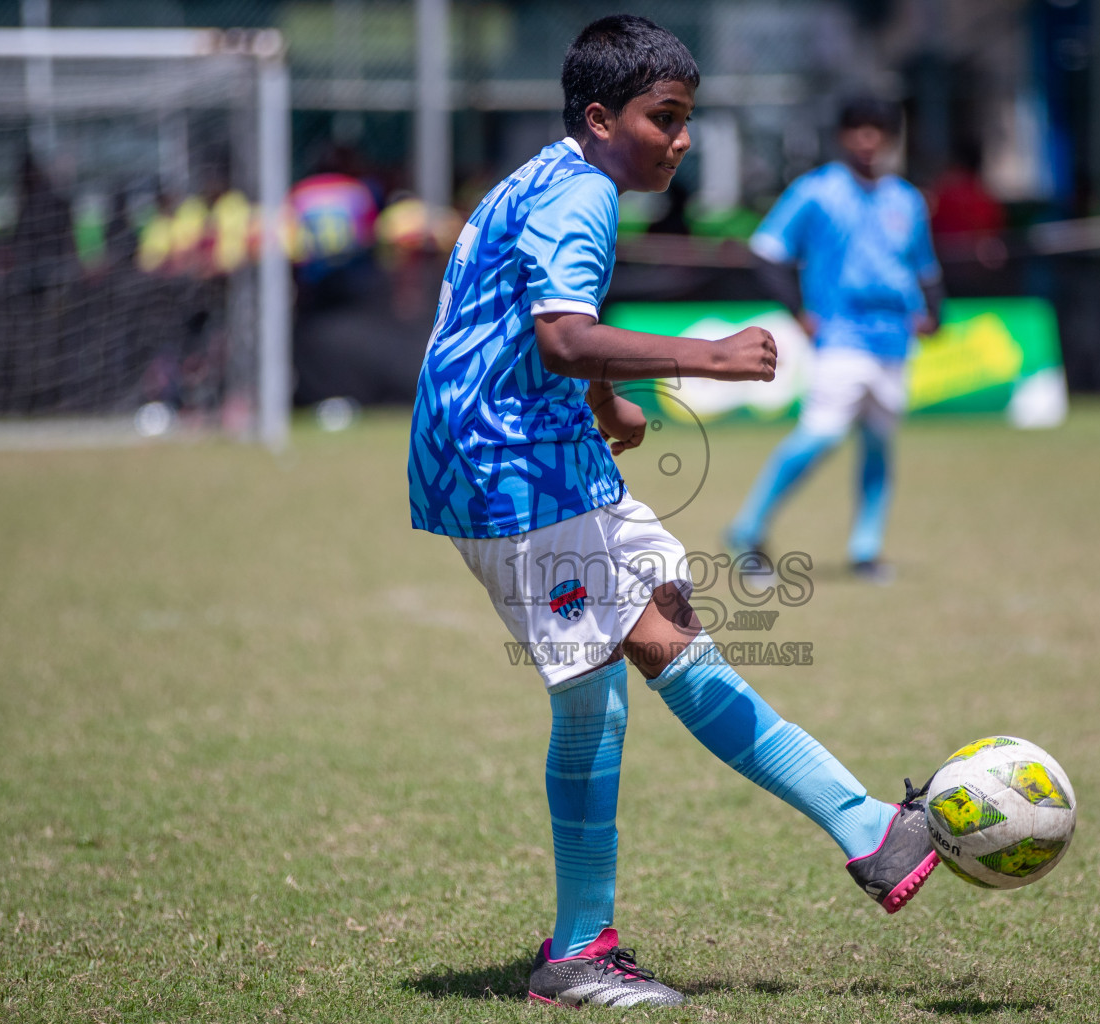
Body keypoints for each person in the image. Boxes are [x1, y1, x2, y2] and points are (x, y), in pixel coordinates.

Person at [408, 16, 942, 1010]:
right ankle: (584, 950)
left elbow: (523, 328)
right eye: (666, 118)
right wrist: (713, 355)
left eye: (688, 118)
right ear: (603, 115)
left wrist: (606, 403)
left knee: (666, 637)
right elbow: (564, 336)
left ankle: (864, 827)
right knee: (608, 686)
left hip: (535, 452)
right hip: (509, 473)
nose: (682, 139)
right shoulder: (583, 193)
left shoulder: (554, 176)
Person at [724, 98, 945, 583]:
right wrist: (800, 311)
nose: (868, 140)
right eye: (858, 129)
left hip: (894, 338)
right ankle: (746, 528)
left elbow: (925, 268)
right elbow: (766, 251)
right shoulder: (817, 191)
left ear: (891, 138)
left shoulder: (906, 199)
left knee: (879, 445)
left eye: (878, 130)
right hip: (841, 337)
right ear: (843, 135)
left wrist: (936, 315)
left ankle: (866, 548)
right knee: (821, 434)